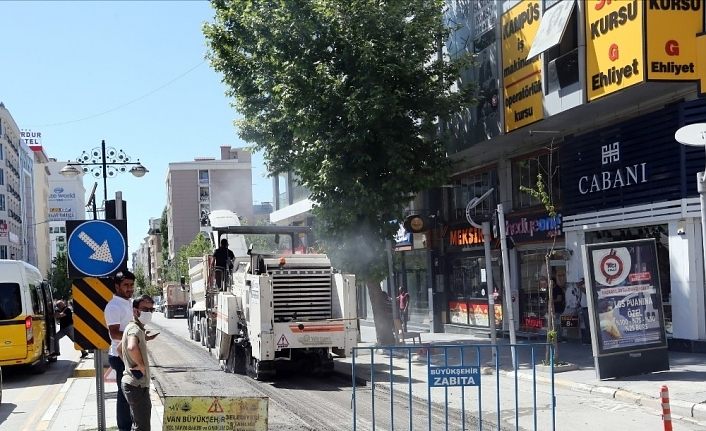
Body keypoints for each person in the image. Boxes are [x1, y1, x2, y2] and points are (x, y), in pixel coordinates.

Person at [104, 270, 136, 431]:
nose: (130, 288)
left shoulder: (128, 302)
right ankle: (124, 428)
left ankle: (130, 425)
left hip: (130, 355)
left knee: (131, 393)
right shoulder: (114, 306)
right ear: (117, 286)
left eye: (131, 285)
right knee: (124, 395)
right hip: (119, 356)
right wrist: (135, 335)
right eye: (126, 285)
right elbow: (114, 333)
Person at [121, 295, 158, 431]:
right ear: (135, 311)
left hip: (132, 384)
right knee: (142, 428)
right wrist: (140, 364)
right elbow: (131, 347)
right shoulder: (135, 329)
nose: (148, 313)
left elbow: (120, 349)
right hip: (136, 386)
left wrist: (129, 363)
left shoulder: (133, 327)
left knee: (137, 425)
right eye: (144, 309)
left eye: (151, 310)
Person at [578, 278, 591, 344]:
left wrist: (581, 287)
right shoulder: (581, 287)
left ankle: (589, 339)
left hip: (587, 307)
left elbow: (586, 292)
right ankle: (587, 339)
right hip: (583, 307)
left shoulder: (587, 286)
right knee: (585, 324)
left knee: (588, 325)